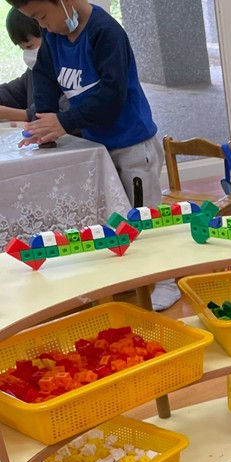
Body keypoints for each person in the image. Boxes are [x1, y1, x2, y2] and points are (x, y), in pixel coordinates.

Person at [8, 0, 179, 311]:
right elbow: (44, 80)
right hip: (96, 147)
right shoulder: (55, 36)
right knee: (112, 219)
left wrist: (64, 122)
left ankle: (167, 281)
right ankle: (130, 279)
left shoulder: (104, 32)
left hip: (131, 145)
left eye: (42, 16)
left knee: (145, 217)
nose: (43, 26)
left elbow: (112, 96)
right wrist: (43, 122)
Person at [0, 7, 41, 122]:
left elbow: (57, 114)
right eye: (22, 49)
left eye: (30, 46)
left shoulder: (69, 74)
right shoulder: (33, 73)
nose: (28, 54)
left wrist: (6, 113)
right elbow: (12, 93)